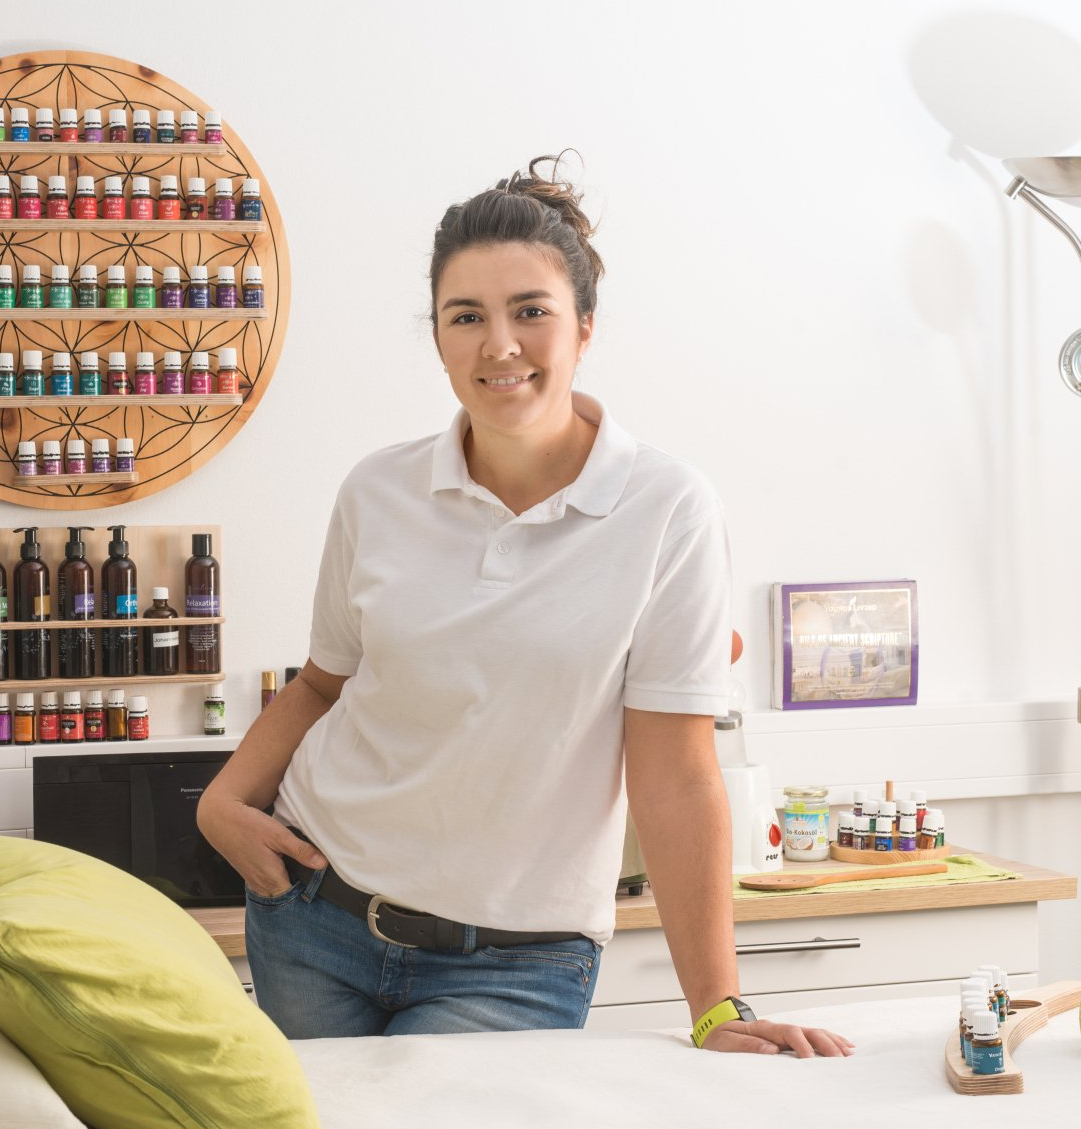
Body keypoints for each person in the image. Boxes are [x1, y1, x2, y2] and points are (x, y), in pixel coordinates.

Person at [198, 155, 853, 1057]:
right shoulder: (377, 491)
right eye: (466, 316)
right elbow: (322, 683)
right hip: (314, 915)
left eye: (531, 312)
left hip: (517, 961)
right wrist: (222, 800)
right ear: (438, 338)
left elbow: (676, 772)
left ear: (585, 328)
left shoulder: (667, 509)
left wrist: (716, 1008)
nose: (498, 344)